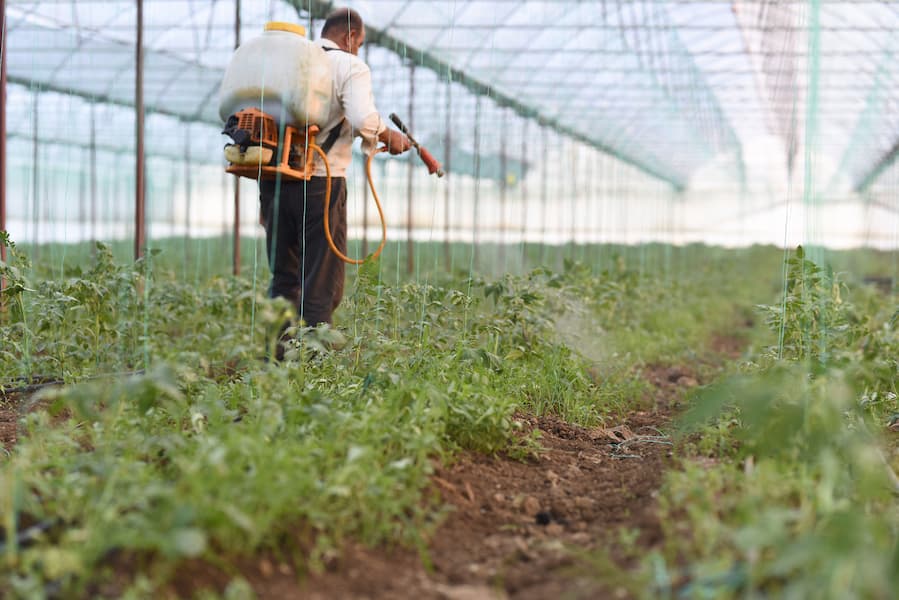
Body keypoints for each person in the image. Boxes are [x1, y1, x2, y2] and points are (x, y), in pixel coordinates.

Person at [259, 8, 411, 345]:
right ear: (350, 36)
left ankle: (277, 360)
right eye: (359, 43)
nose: (358, 50)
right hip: (320, 182)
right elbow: (362, 118)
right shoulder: (349, 64)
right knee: (320, 280)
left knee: (284, 277)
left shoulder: (290, 61)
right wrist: (389, 136)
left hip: (273, 178)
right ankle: (314, 371)